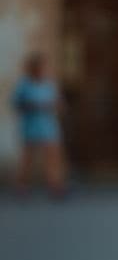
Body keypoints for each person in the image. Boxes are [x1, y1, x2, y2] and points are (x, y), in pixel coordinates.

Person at [10, 53, 66, 198]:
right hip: (31, 126)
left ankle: (56, 186)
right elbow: (16, 104)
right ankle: (22, 186)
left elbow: (59, 103)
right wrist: (35, 106)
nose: (43, 70)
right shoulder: (24, 85)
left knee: (53, 157)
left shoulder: (49, 84)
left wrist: (55, 106)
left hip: (48, 126)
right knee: (28, 159)